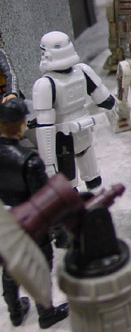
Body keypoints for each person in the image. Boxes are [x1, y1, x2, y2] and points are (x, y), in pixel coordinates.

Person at [0, 97, 69, 328]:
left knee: (10, 267)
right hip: (31, 224)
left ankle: (15, 312)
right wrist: (59, 231)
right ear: (21, 124)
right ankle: (46, 314)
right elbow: (44, 202)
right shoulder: (29, 161)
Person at [33, 31, 116, 191]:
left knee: (83, 180)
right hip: (73, 134)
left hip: (70, 136)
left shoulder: (45, 84)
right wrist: (48, 163)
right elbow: (106, 100)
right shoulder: (82, 71)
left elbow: (44, 127)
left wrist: (48, 163)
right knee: (79, 181)